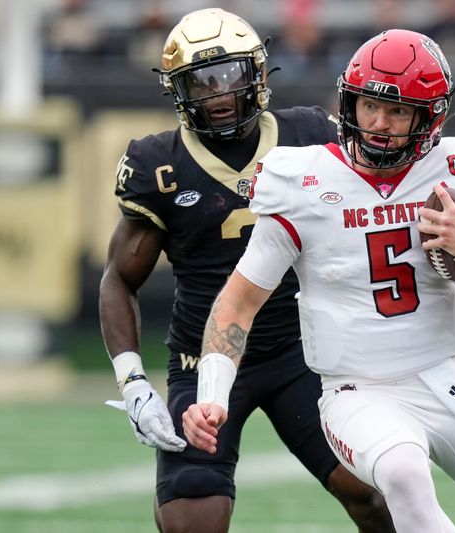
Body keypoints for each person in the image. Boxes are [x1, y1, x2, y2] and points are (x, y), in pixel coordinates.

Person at [183, 29, 455, 533]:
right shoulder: (303, 182)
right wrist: (213, 393)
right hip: (358, 391)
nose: (379, 124)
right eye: (371, 105)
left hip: (450, 374)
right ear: (349, 103)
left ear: (429, 117)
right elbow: (237, 304)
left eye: (399, 112)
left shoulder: (450, 175)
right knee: (402, 472)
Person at [99, 8, 394, 533]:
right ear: (177, 90)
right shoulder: (158, 165)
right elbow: (119, 279)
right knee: (193, 517)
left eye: (229, 76)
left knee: (376, 491)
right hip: (201, 356)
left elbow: (368, 216)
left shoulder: (308, 134)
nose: (217, 94)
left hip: (301, 352)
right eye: (201, 82)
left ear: (256, 73)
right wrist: (133, 383)